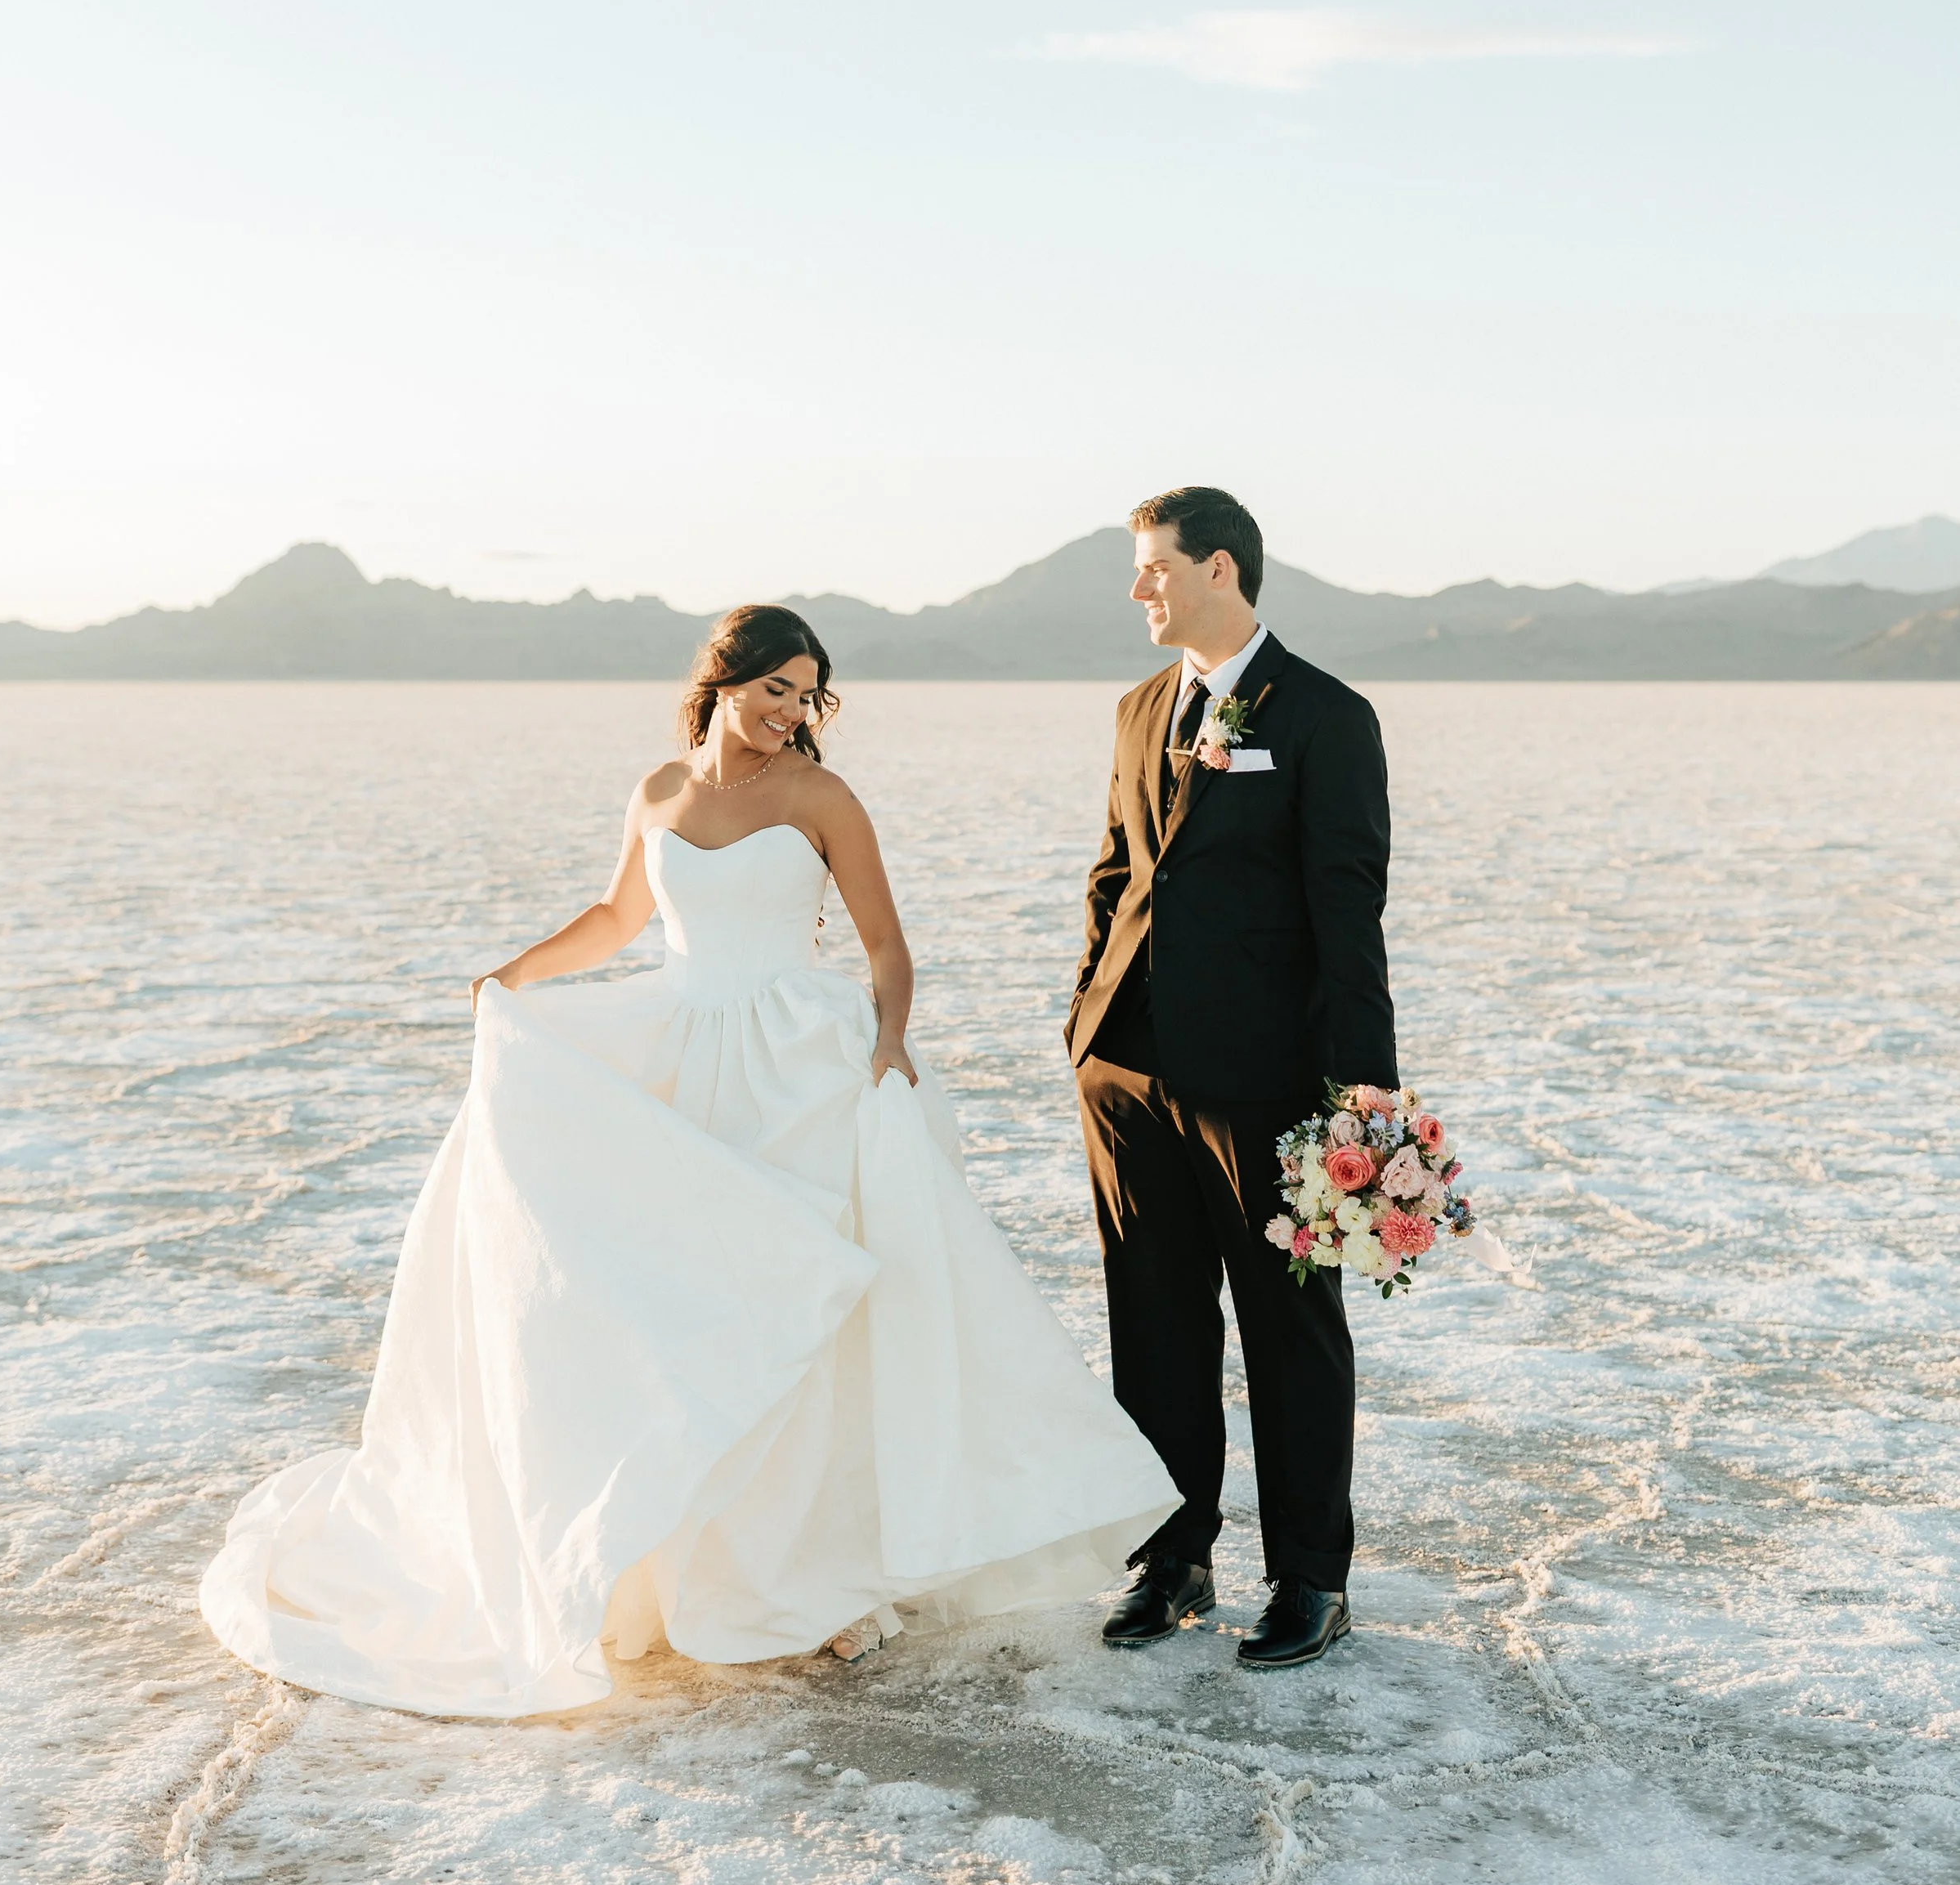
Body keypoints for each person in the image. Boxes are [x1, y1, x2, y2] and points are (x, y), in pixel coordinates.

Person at [201, 604, 1172, 1718]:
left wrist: (891, 1037)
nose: (791, 714)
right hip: (676, 1064)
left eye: (809, 695)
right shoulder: (659, 790)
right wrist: (514, 977)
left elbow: (885, 943)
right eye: (775, 690)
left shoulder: (821, 798)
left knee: (801, 1312)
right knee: (689, 1316)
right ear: (724, 680)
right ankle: (683, 1570)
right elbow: (620, 913)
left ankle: (818, 1575)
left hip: (793, 1068)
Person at [1067, 489, 1398, 1668]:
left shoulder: (1325, 714)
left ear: (1219, 568)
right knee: (1152, 1323)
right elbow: (1117, 871)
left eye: (1154, 568)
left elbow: (1347, 915)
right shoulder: (1138, 708)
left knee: (1288, 1327)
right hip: (1127, 1069)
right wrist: (1085, 1026)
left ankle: (1313, 1577)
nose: (1139, 588)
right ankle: (1175, 1557)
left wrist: (1366, 1094)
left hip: (1264, 1082)